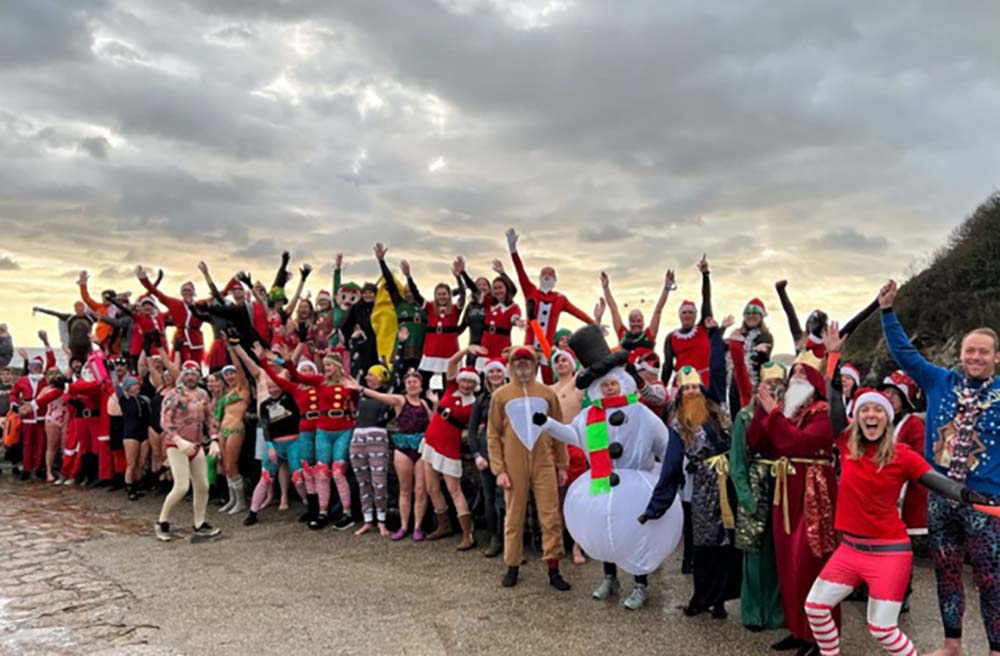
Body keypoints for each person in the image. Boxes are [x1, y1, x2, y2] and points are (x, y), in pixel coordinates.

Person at [805, 382, 999, 656]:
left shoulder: (903, 454)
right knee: (815, 607)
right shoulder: (847, 443)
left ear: (888, 417)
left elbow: (939, 482)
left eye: (878, 410)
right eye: (865, 410)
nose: (871, 415)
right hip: (850, 550)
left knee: (882, 629)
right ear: (858, 418)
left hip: (889, 553)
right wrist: (834, 362)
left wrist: (971, 496)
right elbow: (835, 405)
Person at [879, 279, 1000, 656]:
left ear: (996, 357)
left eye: (983, 352)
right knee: (946, 574)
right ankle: (952, 644)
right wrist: (886, 312)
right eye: (970, 351)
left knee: (992, 579)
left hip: (987, 502)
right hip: (940, 496)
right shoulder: (939, 382)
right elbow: (904, 354)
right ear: (960, 354)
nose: (975, 358)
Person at [539, 326, 680, 608]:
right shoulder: (590, 415)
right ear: (596, 388)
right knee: (604, 528)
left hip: (637, 487)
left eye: (613, 381)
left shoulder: (640, 411)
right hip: (602, 481)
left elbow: (665, 445)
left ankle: (640, 585)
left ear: (622, 381)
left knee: (637, 534)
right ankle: (610, 578)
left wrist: (664, 477)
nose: (609, 387)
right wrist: (546, 423)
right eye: (603, 384)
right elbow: (572, 435)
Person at [748, 348, 838, 655]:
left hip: (813, 493)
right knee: (787, 562)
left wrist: (773, 412)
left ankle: (820, 636)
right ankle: (798, 628)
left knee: (809, 562)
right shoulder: (790, 413)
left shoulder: (824, 413)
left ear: (814, 380)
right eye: (794, 372)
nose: (794, 378)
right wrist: (762, 408)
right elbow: (758, 442)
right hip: (785, 490)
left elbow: (797, 442)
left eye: (801, 373)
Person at [488, 345, 571, 591]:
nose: (522, 364)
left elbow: (558, 430)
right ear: (511, 365)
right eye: (518, 361)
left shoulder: (547, 393)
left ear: (535, 364)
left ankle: (554, 568)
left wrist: (562, 464)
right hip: (513, 463)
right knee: (513, 516)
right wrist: (499, 469)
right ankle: (512, 565)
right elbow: (493, 435)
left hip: (544, 460)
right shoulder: (501, 395)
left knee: (551, 516)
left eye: (527, 360)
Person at [729, 360, 787, 632]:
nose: (773, 388)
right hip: (755, 486)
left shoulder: (788, 415)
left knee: (778, 554)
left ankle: (776, 613)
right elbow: (738, 462)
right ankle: (752, 612)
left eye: (778, 383)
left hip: (782, 488)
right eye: (769, 383)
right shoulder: (744, 417)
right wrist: (746, 497)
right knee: (754, 555)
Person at [505, 228, 593, 384]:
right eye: (544, 274)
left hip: (547, 346)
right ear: (539, 277)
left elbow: (577, 313)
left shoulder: (560, 299)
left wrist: (594, 324)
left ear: (555, 279)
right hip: (530, 343)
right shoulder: (531, 292)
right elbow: (520, 272)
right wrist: (513, 250)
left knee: (549, 381)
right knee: (525, 378)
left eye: (550, 275)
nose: (547, 277)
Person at [357, 368, 432, 542]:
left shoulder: (424, 403)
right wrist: (361, 389)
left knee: (420, 490)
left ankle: (418, 527)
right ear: (405, 386)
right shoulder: (400, 400)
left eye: (415, 382)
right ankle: (404, 525)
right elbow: (383, 397)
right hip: (403, 446)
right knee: (405, 489)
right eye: (409, 382)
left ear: (421, 385)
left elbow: (433, 423)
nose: (412, 385)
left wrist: (434, 404)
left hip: (421, 447)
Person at [286, 351, 359, 531]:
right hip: (323, 429)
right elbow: (296, 376)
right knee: (321, 471)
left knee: (338, 472)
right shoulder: (320, 381)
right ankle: (322, 511)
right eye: (325, 365)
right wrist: (286, 361)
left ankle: (347, 512)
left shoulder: (347, 381)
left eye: (329, 365)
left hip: (343, 427)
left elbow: (355, 402)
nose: (326, 368)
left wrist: (355, 388)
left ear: (338, 366)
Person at [420, 346, 482, 548]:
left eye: (470, 382)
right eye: (464, 380)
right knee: (431, 487)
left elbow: (477, 427)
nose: (466, 384)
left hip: (448, 447)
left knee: (454, 489)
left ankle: (467, 532)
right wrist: (466, 350)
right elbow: (451, 363)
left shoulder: (475, 405)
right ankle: (444, 525)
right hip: (430, 441)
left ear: (475, 385)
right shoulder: (450, 388)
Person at [155, 360, 221, 542]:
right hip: (177, 445)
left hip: (196, 444)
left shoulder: (203, 395)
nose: (191, 376)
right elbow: (165, 422)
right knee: (182, 486)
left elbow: (210, 418)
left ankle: (199, 522)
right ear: (183, 375)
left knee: (202, 485)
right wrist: (178, 440)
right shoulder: (174, 395)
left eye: (195, 373)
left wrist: (214, 439)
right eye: (188, 373)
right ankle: (162, 521)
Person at [241, 347, 302, 528]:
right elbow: (266, 426)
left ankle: (309, 504)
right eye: (269, 388)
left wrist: (276, 360)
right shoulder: (266, 404)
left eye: (275, 386)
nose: (272, 390)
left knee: (298, 476)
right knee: (265, 477)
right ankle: (253, 511)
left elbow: (290, 371)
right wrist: (270, 446)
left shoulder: (291, 397)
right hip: (275, 443)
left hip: (294, 441)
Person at [549, 347, 589, 565]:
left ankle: (577, 546)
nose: (561, 363)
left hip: (574, 442)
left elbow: (589, 368)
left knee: (577, 496)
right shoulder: (549, 388)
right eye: (557, 360)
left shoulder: (578, 385)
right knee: (557, 498)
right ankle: (558, 543)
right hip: (554, 444)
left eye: (565, 360)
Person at [468, 357, 509, 557]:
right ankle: (495, 537)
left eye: (498, 371)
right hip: (486, 452)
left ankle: (511, 539)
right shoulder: (481, 400)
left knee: (509, 498)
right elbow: (472, 429)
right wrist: (476, 455)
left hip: (509, 451)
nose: (495, 375)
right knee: (489, 496)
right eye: (491, 372)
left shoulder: (513, 395)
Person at [347, 365, 395, 537]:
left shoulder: (387, 394)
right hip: (358, 437)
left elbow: (395, 375)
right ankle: (368, 520)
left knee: (379, 481)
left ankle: (381, 521)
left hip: (377, 436)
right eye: (367, 375)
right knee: (363, 482)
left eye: (371, 375)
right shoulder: (360, 394)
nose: (367, 378)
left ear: (380, 377)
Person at [374, 245, 428, 376]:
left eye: (411, 291)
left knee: (419, 377)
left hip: (420, 347)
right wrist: (381, 261)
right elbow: (391, 284)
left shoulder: (424, 306)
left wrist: (409, 276)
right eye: (406, 292)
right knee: (400, 375)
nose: (409, 294)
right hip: (403, 347)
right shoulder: (400, 304)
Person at [660, 255, 714, 386]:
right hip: (682, 383)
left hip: (703, 382)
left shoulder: (703, 328)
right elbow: (667, 365)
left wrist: (705, 275)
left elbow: (706, 299)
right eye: (684, 312)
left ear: (695, 315)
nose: (687, 315)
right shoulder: (671, 337)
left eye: (691, 312)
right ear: (680, 316)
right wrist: (661, 387)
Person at [136, 265, 206, 363]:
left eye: (189, 290)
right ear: (181, 293)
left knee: (196, 364)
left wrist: (206, 275)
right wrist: (144, 280)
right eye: (184, 291)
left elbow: (220, 295)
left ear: (193, 293)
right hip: (180, 337)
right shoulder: (175, 303)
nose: (187, 293)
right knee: (180, 363)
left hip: (196, 338)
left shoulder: (201, 304)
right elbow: (156, 293)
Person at [10, 342, 56, 480]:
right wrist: (14, 404)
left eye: (38, 366)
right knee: (27, 443)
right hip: (27, 415)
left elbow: (52, 362)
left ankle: (38, 467)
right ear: (30, 367)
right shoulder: (22, 380)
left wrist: (47, 344)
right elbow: (14, 393)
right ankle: (27, 468)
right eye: (33, 366)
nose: (36, 368)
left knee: (41, 443)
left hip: (41, 415)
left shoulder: (45, 380)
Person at [599, 268, 672, 352]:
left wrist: (667, 288)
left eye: (639, 320)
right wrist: (606, 288)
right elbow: (614, 310)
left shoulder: (649, 334)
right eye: (633, 321)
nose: (636, 324)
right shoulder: (623, 334)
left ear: (643, 322)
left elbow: (658, 311)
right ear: (629, 323)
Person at [214, 352, 250, 516]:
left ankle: (240, 501)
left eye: (231, 373)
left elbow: (239, 368)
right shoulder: (225, 393)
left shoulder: (243, 388)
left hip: (236, 428)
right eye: (226, 374)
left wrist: (231, 349)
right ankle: (232, 499)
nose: (229, 376)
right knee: (225, 466)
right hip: (223, 430)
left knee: (231, 465)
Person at [727, 298, 775, 413]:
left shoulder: (765, 336)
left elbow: (762, 357)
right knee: (736, 415)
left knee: (752, 416)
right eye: (748, 314)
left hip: (754, 384)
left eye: (755, 314)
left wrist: (750, 351)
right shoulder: (738, 334)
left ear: (761, 316)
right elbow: (721, 346)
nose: (751, 316)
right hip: (736, 383)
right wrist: (721, 329)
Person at [113, 375, 151, 501]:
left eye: (137, 384)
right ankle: (130, 488)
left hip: (143, 432)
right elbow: (116, 386)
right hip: (130, 433)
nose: (137, 386)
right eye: (134, 385)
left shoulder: (144, 400)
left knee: (141, 463)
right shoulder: (124, 399)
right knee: (132, 463)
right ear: (128, 388)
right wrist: (111, 371)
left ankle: (137, 485)